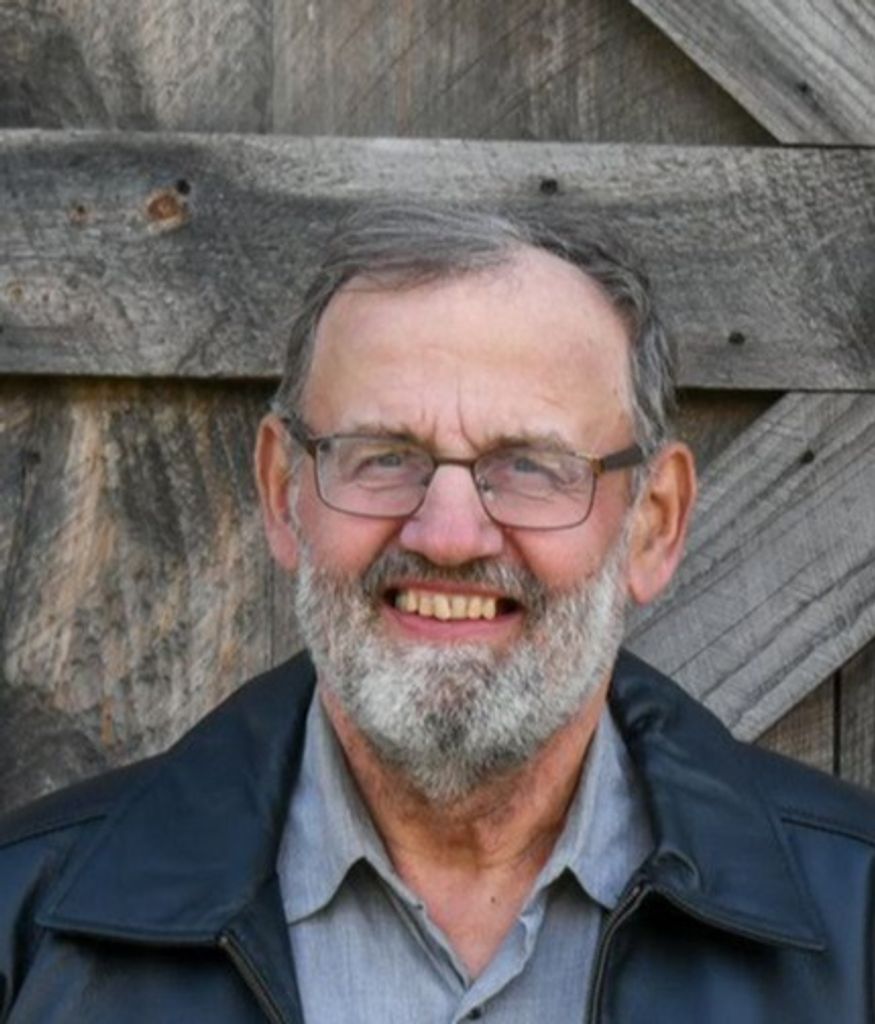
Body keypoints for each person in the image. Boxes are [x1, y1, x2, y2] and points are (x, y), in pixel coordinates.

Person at [1, 202, 873, 1024]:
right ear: (282, 493)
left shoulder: (859, 921)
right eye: (384, 456)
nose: (449, 537)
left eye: (529, 466)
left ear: (652, 523)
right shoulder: (27, 932)